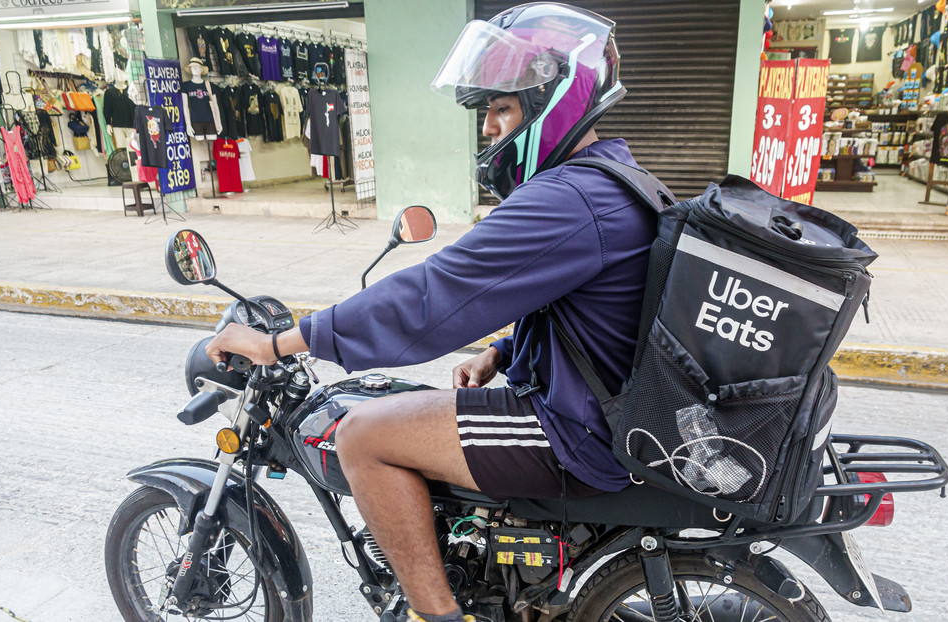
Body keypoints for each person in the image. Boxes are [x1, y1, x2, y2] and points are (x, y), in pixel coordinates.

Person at [205, 4, 656, 621]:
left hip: (579, 433)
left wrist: (287, 340)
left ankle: (437, 615)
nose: (490, 129)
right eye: (487, 112)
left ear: (557, 97)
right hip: (598, 409)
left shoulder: (570, 198)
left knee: (363, 434)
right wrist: (502, 353)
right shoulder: (609, 180)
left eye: (503, 108)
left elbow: (435, 296)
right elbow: (594, 309)